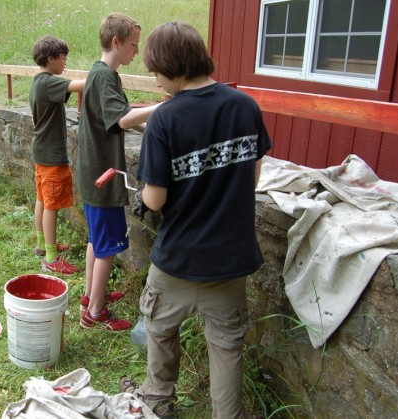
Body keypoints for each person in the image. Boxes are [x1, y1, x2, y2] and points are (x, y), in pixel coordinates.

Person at [119, 22, 272, 419]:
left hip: (178, 261)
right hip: (229, 261)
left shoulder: (166, 120)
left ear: (173, 67)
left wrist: (141, 190)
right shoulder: (245, 106)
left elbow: (154, 199)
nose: (155, 82)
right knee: (226, 348)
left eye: (155, 72)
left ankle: (158, 400)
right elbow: (252, 178)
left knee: (159, 330)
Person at [77, 13, 160, 331]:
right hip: (104, 177)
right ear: (116, 42)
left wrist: (151, 123)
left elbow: (119, 117)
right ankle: (95, 313)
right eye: (133, 45)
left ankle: (89, 296)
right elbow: (122, 118)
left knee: (95, 242)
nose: (137, 52)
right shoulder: (106, 77)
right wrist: (165, 108)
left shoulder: (98, 73)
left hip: (92, 174)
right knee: (108, 248)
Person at [30, 35, 85, 275]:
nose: (65, 63)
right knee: (51, 205)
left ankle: (43, 245)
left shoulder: (38, 82)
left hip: (41, 151)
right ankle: (51, 257)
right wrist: (104, 73)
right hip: (51, 155)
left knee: (42, 199)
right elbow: (77, 85)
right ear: (51, 59)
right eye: (63, 58)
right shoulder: (48, 82)